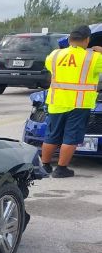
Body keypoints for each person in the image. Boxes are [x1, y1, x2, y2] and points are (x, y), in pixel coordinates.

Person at [41, 25, 102, 177]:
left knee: (51, 135)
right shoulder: (94, 58)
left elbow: (50, 66)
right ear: (87, 40)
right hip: (79, 104)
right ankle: (61, 169)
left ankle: (45, 166)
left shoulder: (54, 55)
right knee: (71, 137)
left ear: (69, 39)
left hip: (56, 102)